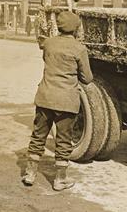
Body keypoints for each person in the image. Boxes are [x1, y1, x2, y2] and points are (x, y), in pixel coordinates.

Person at [22, 11, 93, 191]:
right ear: (76, 28)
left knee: (38, 136)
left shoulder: (49, 44)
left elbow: (47, 59)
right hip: (66, 101)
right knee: (63, 140)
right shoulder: (79, 48)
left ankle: (30, 174)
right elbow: (87, 78)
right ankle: (60, 180)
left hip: (45, 97)